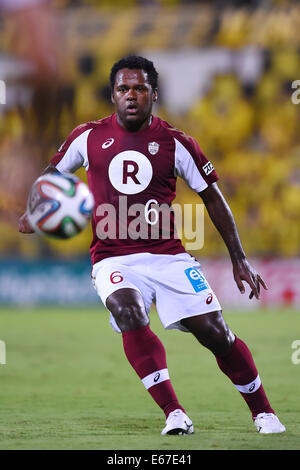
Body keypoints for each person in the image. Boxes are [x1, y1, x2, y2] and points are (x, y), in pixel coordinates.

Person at [19, 55, 285, 435]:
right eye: (123, 88)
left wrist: (238, 259)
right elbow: (51, 178)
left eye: (140, 89)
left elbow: (213, 198)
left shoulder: (177, 143)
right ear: (112, 94)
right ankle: (174, 412)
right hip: (112, 258)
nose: (131, 95)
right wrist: (36, 210)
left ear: (154, 94)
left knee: (216, 333)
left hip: (169, 256)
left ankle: (263, 411)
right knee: (128, 312)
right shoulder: (87, 136)